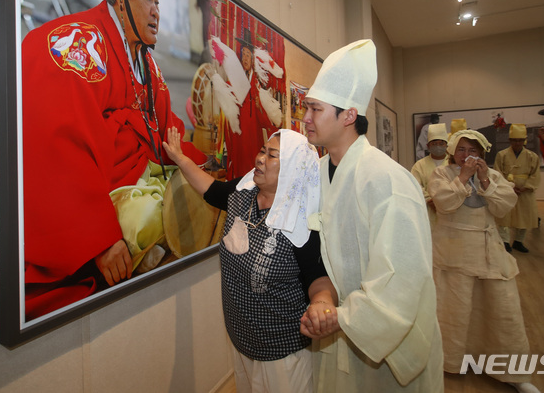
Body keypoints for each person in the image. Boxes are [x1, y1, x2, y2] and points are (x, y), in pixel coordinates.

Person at [21, 0, 207, 320]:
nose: (156, 11)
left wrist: (206, 165)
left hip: (137, 185)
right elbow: (57, 141)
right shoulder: (77, 44)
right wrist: (98, 238)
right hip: (100, 210)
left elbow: (165, 128)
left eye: (158, 1)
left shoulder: (146, 64)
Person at [298, 39, 444, 392]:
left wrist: (343, 318)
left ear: (348, 115)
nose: (305, 118)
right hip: (335, 324)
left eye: (315, 109)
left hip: (384, 338)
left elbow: (402, 277)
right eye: (306, 107)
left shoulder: (387, 180)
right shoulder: (315, 172)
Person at [162, 127, 336, 393]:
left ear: (291, 168)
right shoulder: (242, 193)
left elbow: (318, 277)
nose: (259, 159)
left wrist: (322, 303)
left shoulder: (301, 219)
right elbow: (210, 189)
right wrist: (179, 157)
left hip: (283, 350)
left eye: (272, 155)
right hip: (242, 339)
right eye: (262, 151)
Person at [428, 129, 540, 393]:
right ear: (453, 152)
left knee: (502, 308)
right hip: (452, 253)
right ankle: (451, 359)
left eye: (473, 151)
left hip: (488, 249)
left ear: (482, 153)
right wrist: (464, 178)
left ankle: (512, 372)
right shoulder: (441, 174)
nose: (468, 155)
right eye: (462, 150)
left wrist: (485, 181)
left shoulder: (493, 175)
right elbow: (443, 203)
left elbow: (504, 206)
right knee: (454, 309)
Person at [224, 28, 280, 180]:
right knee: (238, 179)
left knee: (252, 180)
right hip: (239, 142)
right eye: (243, 54)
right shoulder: (234, 82)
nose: (245, 58)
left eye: (248, 55)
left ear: (253, 58)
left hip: (253, 142)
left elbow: (265, 122)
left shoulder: (257, 87)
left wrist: (258, 106)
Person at [494, 124, 541, 253]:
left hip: (525, 192)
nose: (517, 143)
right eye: (514, 140)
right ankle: (505, 241)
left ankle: (519, 241)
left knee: (524, 216)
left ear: (524, 140)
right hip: (507, 191)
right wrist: (508, 187)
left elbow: (535, 174)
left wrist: (526, 187)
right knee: (505, 216)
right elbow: (497, 173)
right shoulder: (502, 155)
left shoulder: (532, 156)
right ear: (510, 140)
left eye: (520, 140)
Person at [411, 122, 449, 226]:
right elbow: (415, 185)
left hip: (451, 210)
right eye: (434, 143)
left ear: (447, 145)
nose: (438, 146)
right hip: (428, 211)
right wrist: (429, 200)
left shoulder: (453, 163)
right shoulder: (419, 165)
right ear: (428, 146)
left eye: (441, 143)